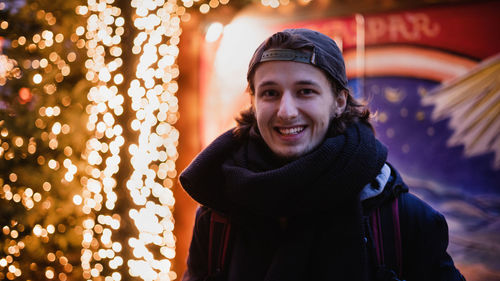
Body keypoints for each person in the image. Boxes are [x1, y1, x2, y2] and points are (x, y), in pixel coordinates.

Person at [179, 28, 465, 281]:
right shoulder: (218, 216)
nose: (286, 111)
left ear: (339, 102)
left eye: (305, 91)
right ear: (253, 102)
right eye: (270, 93)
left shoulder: (404, 220)